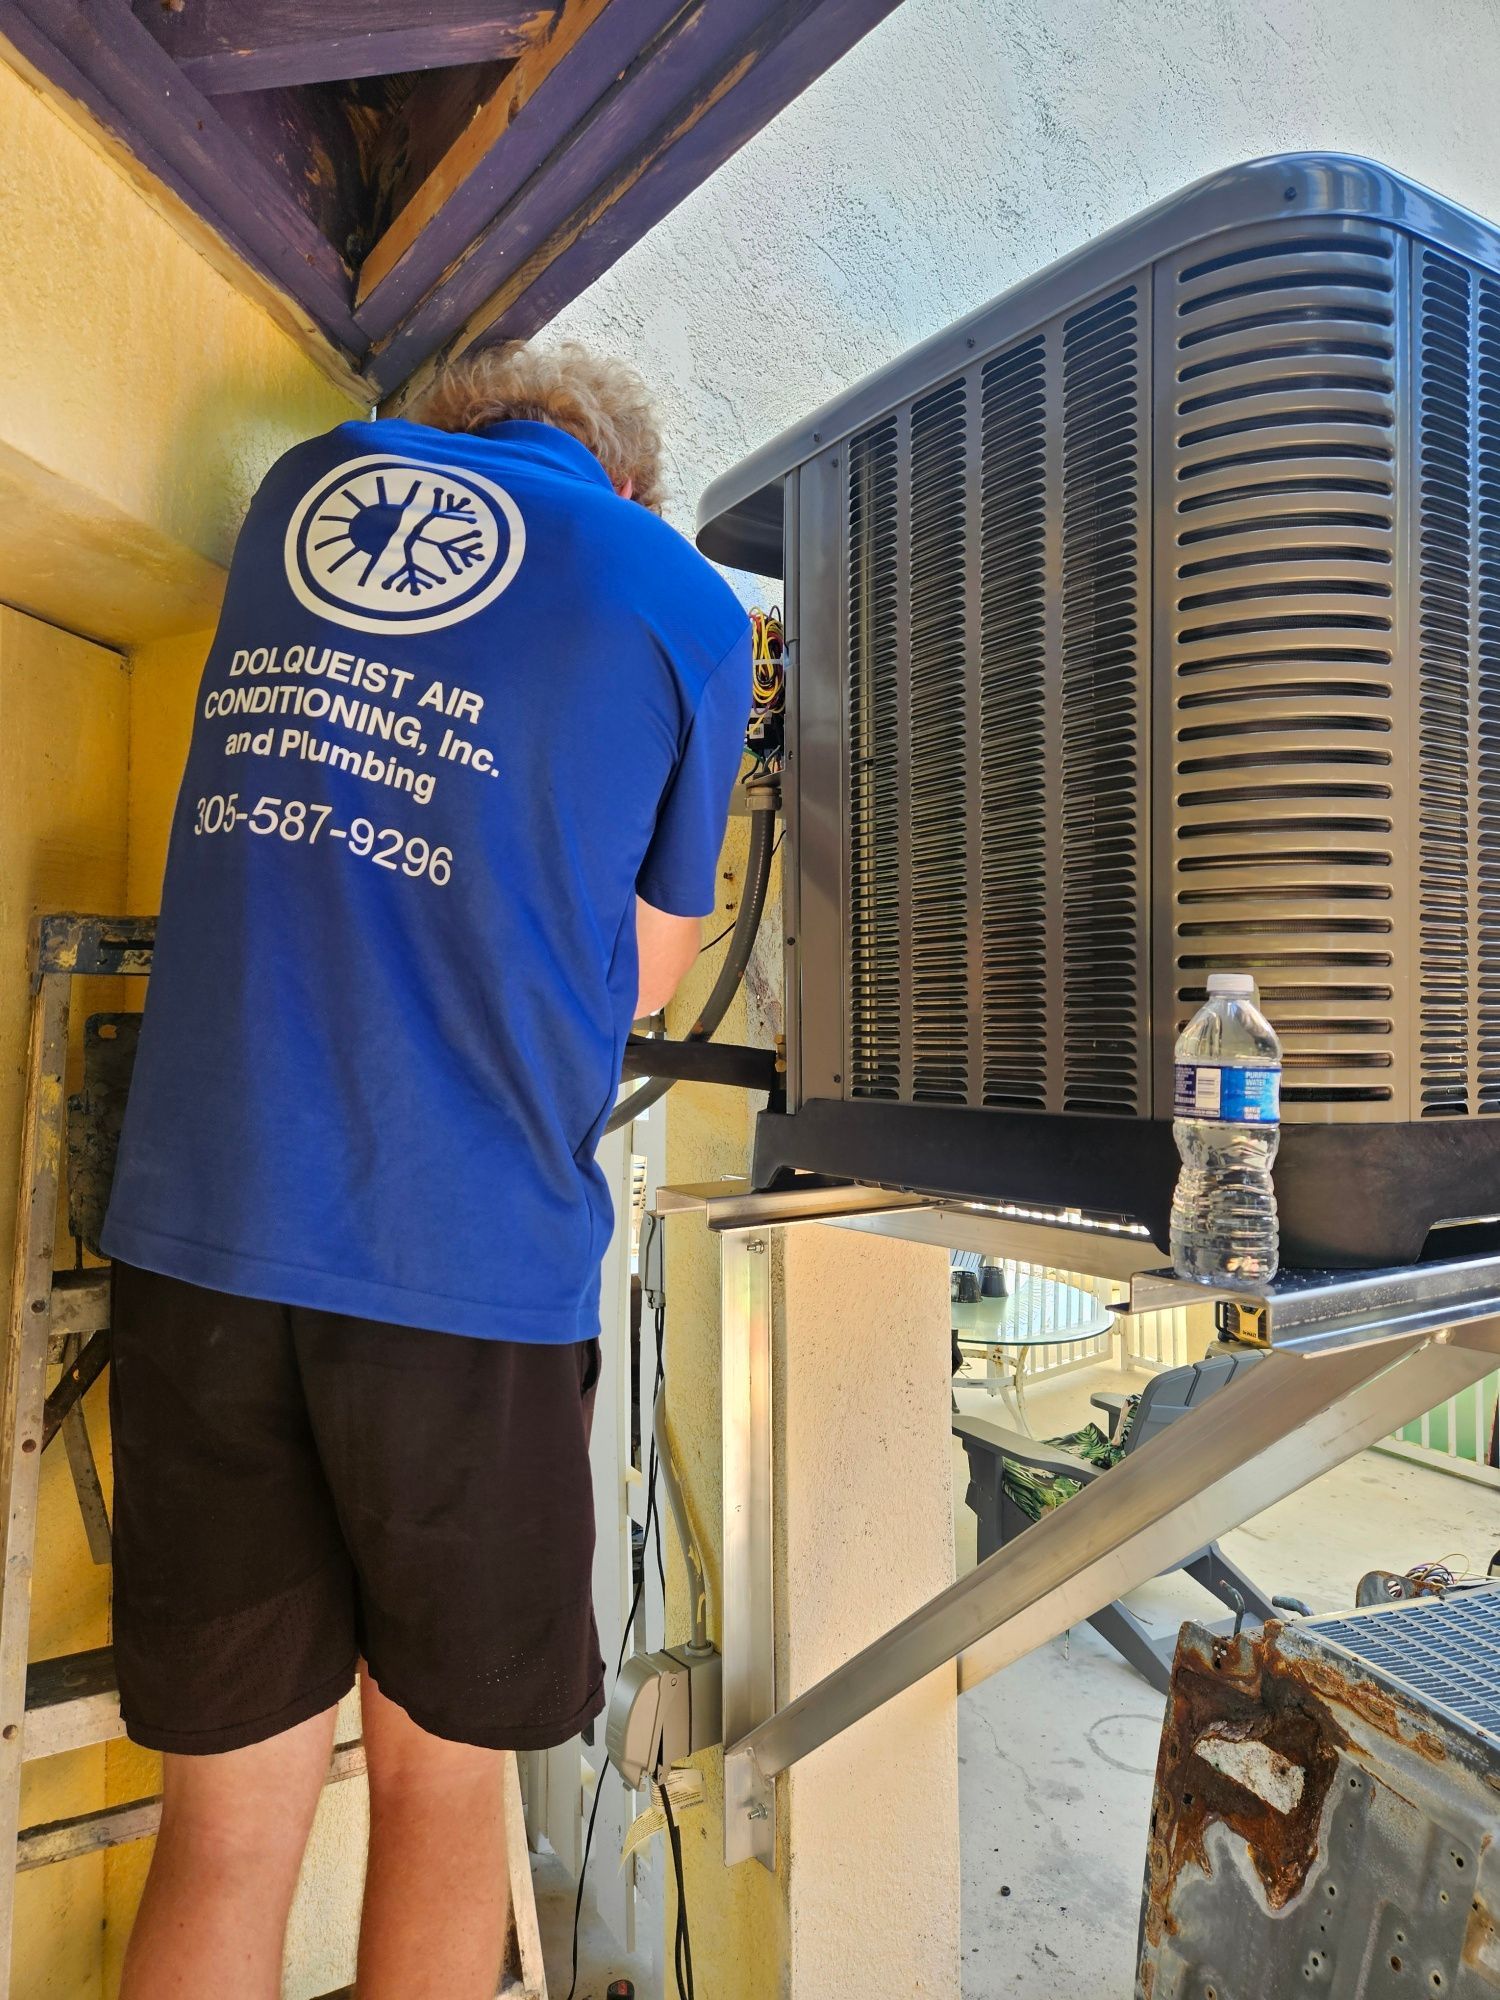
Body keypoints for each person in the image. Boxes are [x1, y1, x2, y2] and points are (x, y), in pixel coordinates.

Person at [100, 340, 751, 1999]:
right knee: (442, 1796)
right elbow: (652, 975)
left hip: (202, 1240)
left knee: (225, 1829)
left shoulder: (308, 492)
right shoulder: (675, 597)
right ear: (626, 482)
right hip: (465, 1274)